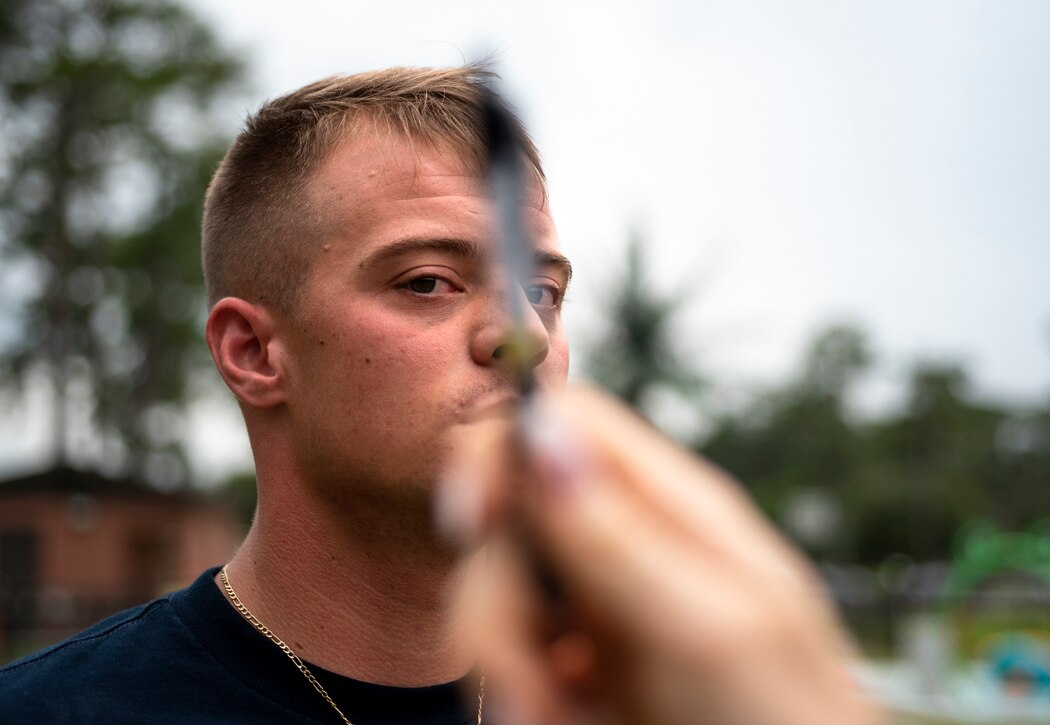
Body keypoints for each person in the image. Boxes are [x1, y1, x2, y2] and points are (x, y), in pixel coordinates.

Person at [0, 65, 881, 725]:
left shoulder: (682, 697)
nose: (524, 335)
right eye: (427, 281)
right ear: (256, 351)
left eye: (543, 292)